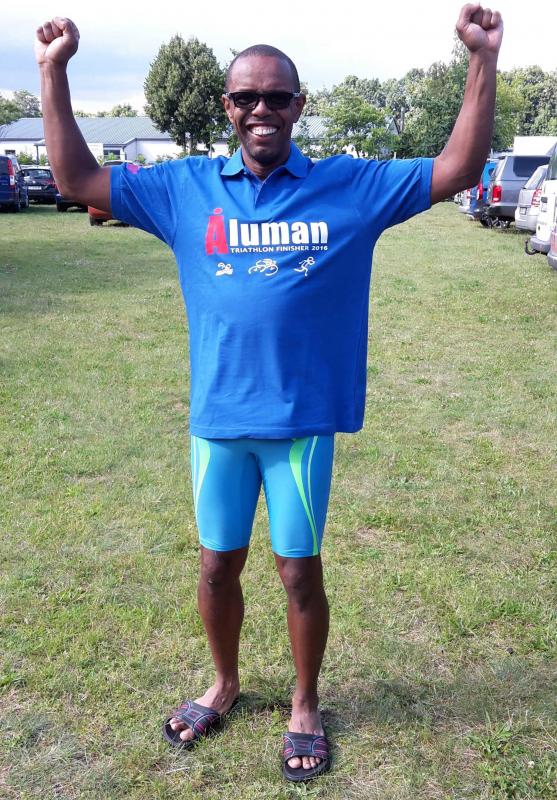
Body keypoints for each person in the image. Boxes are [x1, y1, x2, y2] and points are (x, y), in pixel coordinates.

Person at [35, 4, 503, 783]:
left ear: (298, 104)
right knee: (216, 567)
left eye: (276, 97)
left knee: (297, 572)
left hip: (299, 426)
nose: (261, 110)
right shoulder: (185, 188)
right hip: (219, 425)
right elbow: (77, 180)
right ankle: (222, 683)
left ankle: (304, 703)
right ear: (227, 106)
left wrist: (481, 59)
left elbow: (455, 169)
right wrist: (53, 74)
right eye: (246, 97)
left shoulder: (349, 187)